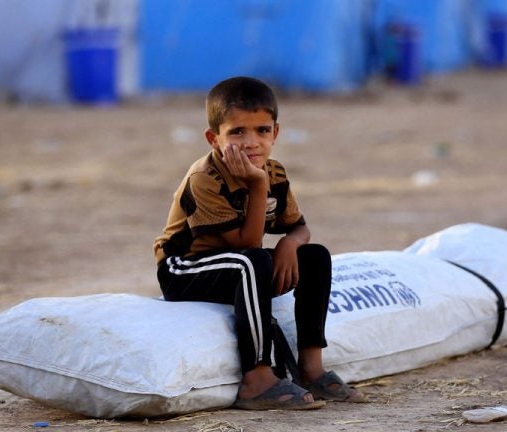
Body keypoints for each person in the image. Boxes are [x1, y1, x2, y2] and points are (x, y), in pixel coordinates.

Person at [153, 76, 366, 410]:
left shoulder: (273, 173)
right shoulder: (205, 177)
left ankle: (311, 368)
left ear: (275, 133)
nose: (251, 142)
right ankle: (257, 377)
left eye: (262, 131)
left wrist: (289, 245)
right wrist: (256, 185)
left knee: (315, 257)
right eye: (237, 132)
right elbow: (247, 243)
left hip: (238, 265)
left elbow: (300, 228)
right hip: (185, 269)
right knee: (251, 261)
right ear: (213, 138)